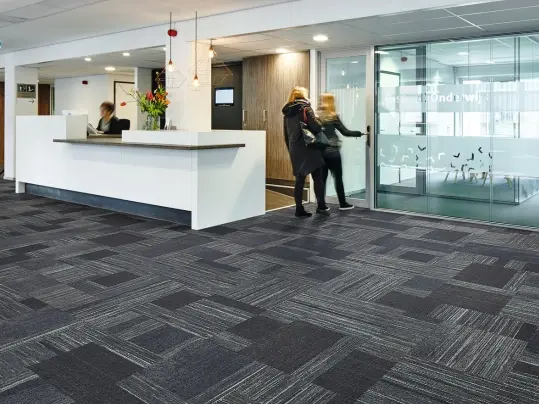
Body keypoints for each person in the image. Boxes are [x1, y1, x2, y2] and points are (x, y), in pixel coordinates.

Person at [282, 86, 328, 217]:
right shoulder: (306, 108)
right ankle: (321, 206)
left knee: (300, 179)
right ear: (304, 95)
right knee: (317, 176)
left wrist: (290, 149)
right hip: (309, 147)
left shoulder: (287, 112)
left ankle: (299, 209)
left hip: (295, 148)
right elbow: (316, 127)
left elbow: (286, 134)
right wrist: (318, 118)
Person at [318, 92, 364, 211]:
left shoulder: (317, 117)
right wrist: (359, 133)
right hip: (333, 152)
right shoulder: (333, 116)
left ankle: (321, 206)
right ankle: (342, 204)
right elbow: (345, 132)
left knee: (322, 179)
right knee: (338, 178)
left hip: (321, 153)